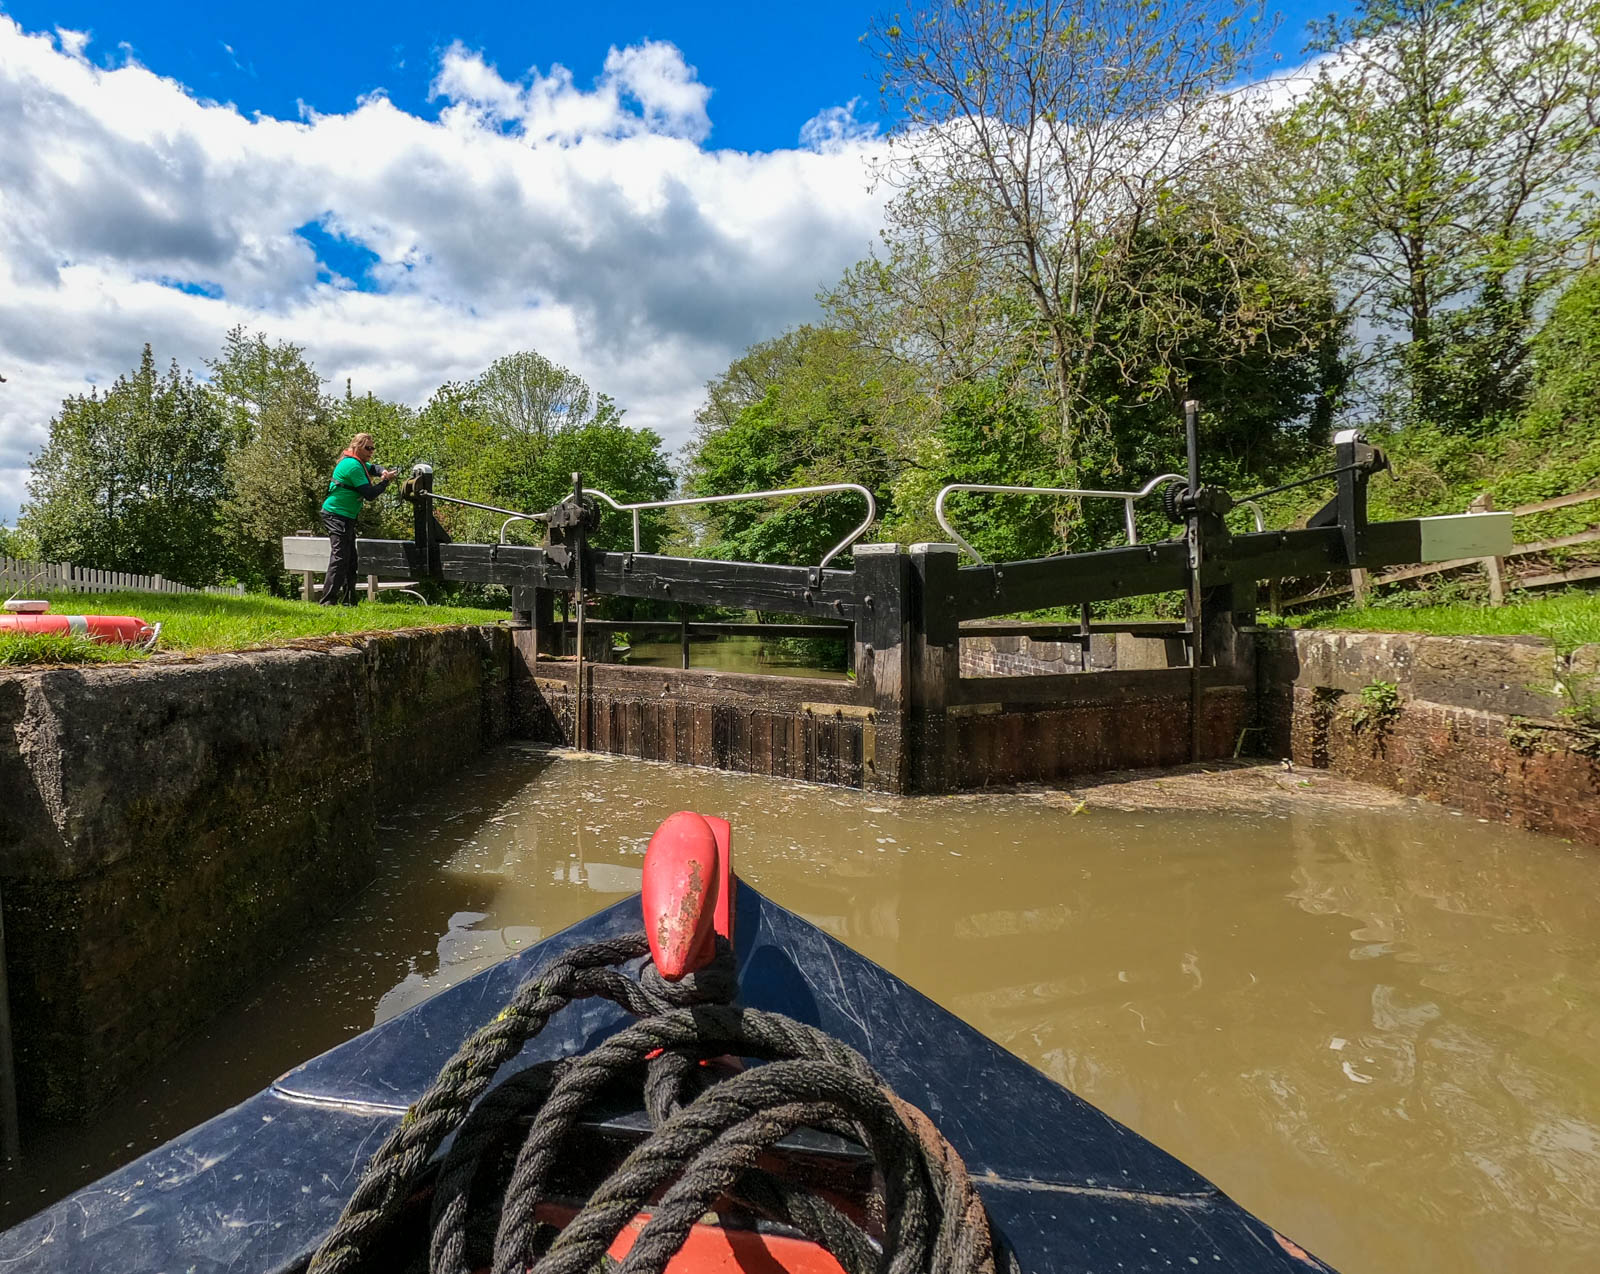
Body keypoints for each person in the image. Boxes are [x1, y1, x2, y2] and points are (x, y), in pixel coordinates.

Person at [319, 433, 397, 605]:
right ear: (357, 447)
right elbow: (369, 494)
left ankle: (349, 601)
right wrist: (385, 481)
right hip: (335, 514)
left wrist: (382, 471)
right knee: (340, 558)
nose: (371, 451)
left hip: (346, 516)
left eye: (373, 448)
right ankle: (327, 601)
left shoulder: (359, 463)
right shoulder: (352, 466)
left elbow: (373, 468)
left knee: (351, 560)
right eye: (368, 448)